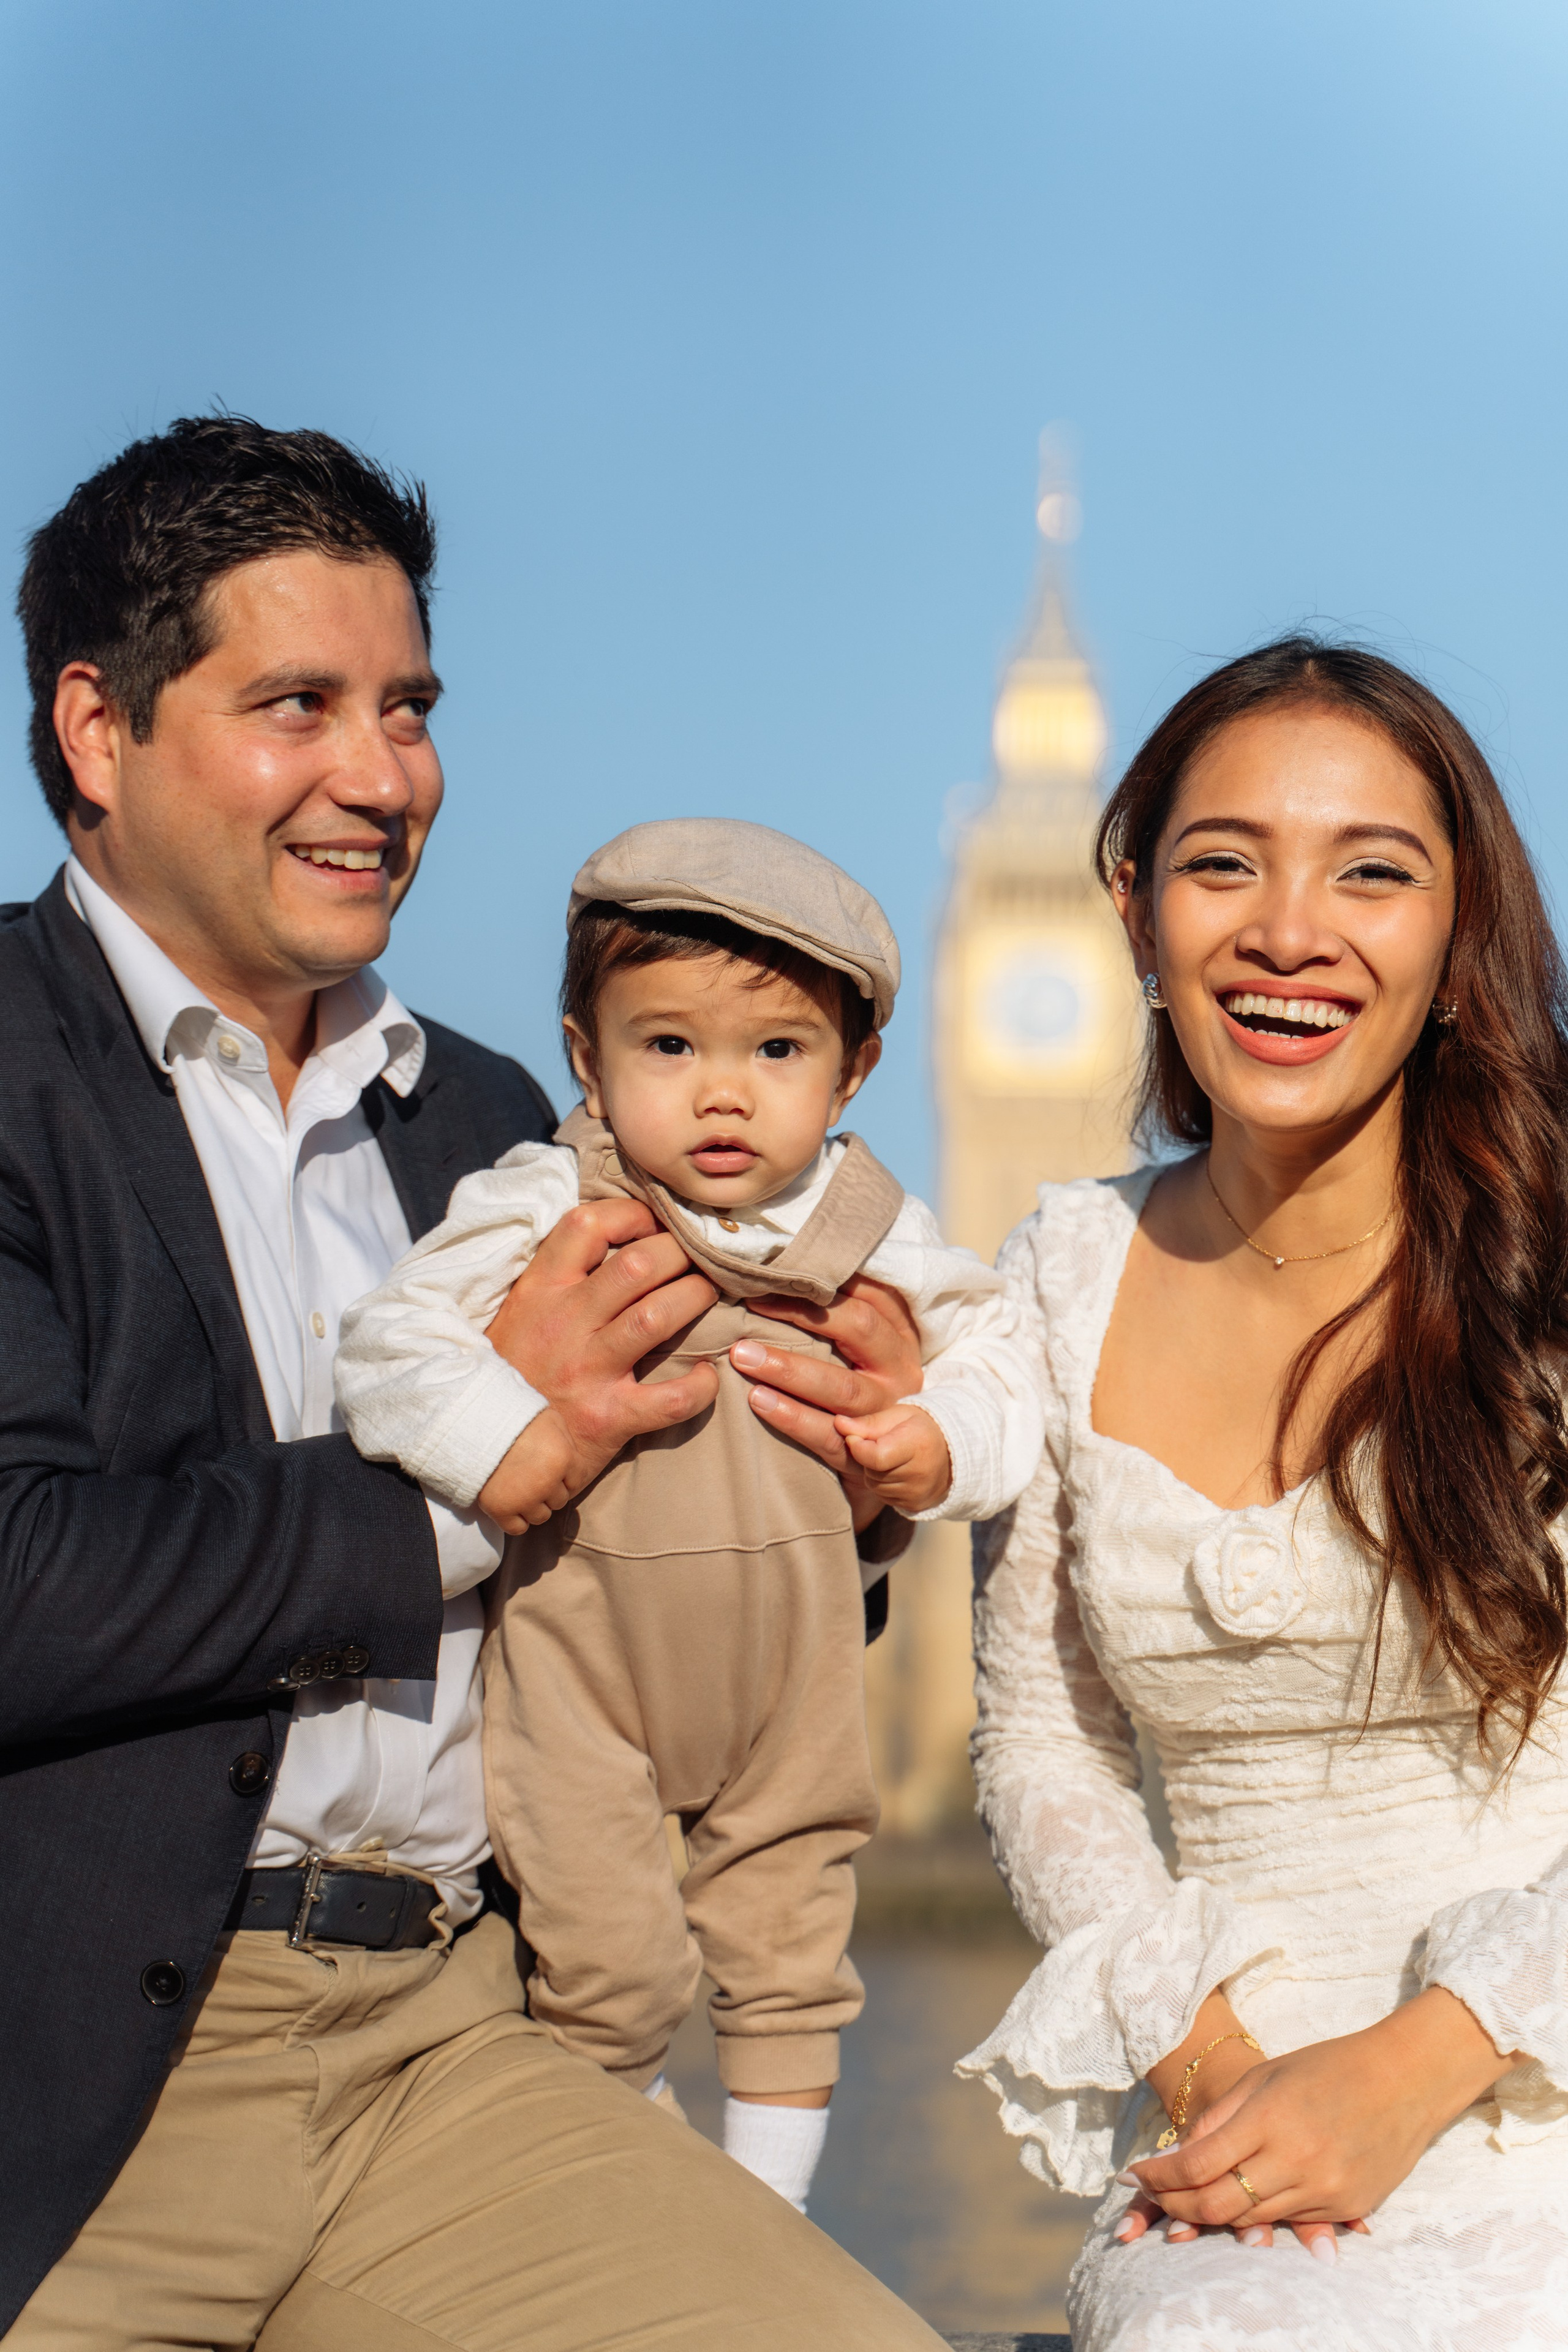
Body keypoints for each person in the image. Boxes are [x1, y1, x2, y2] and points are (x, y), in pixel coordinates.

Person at [0, 413, 948, 2351]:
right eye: (300, 705)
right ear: (100, 732)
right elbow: (21, 1587)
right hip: (74, 2097)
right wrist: (473, 1468)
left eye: (410, 709)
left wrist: (834, 1484)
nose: (382, 776)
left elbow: (656, 1571)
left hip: (456, 2055)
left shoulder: (506, 1123)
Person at [956, 638, 1568, 2350]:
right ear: (1136, 912)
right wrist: (1215, 2069)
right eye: (1225, 863)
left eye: (1370, 873)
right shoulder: (1058, 1280)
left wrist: (1422, 2062)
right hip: (1232, 2120)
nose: (1289, 932)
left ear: (1457, 940)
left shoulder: (1550, 1272)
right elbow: (1042, 1738)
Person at [334, 815, 1044, 2214]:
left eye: (776, 1051)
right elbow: (390, 1341)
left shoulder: (872, 1227)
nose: (723, 1095)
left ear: (852, 1071)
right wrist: (508, 1447)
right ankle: (643, 2197)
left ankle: (766, 2218)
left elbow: (1000, 1356)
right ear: (587, 1059)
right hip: (580, 1656)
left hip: (791, 1658)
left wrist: (927, 1444)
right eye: (669, 1046)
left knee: (790, 1948)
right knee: (605, 1959)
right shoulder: (547, 1202)